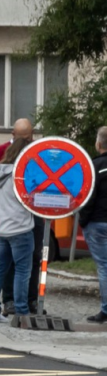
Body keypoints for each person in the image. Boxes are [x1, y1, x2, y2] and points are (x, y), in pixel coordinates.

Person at [0, 121, 36, 323]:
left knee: (0, 268)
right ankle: (22, 312)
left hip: (2, 229)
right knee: (23, 271)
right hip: (21, 228)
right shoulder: (21, 175)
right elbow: (30, 201)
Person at [81, 126, 107, 325]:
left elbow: (88, 197)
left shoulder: (94, 166)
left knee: (104, 267)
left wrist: (83, 220)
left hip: (98, 222)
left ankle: (106, 310)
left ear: (98, 144)